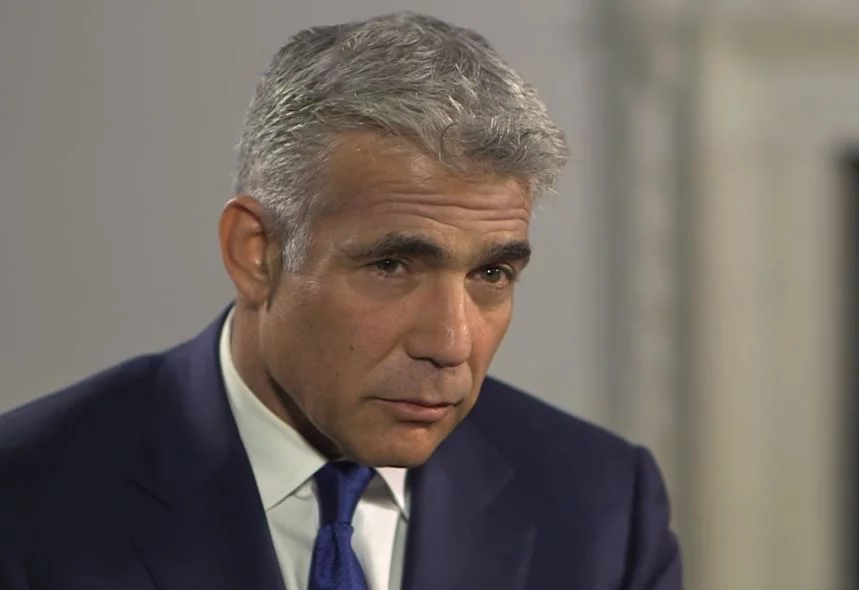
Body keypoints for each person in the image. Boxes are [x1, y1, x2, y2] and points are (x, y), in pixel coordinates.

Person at [0, 11, 682, 590]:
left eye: (492, 274)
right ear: (255, 253)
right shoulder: (24, 500)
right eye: (392, 265)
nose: (451, 344)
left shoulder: (602, 509)